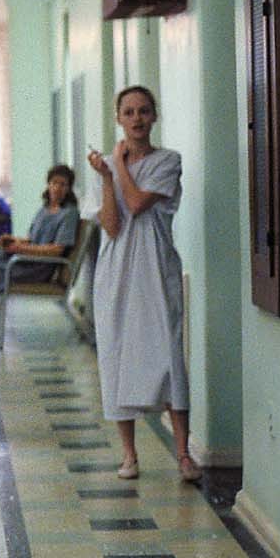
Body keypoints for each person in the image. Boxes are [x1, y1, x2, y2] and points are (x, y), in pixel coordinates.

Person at [88, 85, 202, 483]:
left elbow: (137, 205)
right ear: (118, 118)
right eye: (129, 112)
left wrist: (117, 166)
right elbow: (113, 225)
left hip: (155, 265)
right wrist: (106, 177)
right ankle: (130, 454)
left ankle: (184, 453)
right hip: (116, 270)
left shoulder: (168, 161)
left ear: (154, 117)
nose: (137, 119)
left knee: (169, 353)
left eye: (144, 111)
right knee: (118, 354)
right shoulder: (106, 166)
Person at [0, 164, 80, 302]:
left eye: (63, 184)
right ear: (48, 185)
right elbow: (32, 239)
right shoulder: (45, 209)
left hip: (38, 267)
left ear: (69, 189)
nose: (57, 188)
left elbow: (57, 250)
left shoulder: (69, 213)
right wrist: (13, 241)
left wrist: (21, 249)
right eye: (54, 183)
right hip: (27, 259)